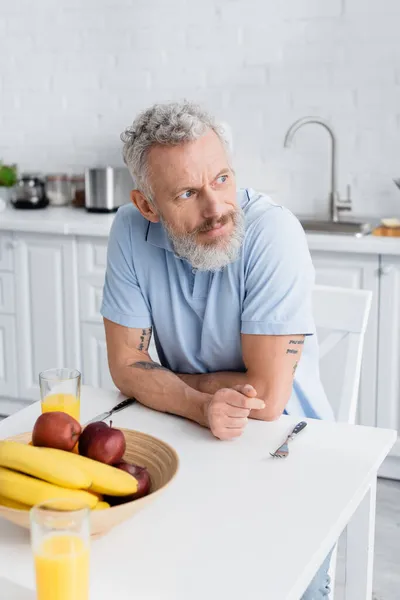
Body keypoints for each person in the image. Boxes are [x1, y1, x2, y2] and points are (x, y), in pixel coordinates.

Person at [101, 102, 334, 599]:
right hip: (190, 440)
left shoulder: (274, 233)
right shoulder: (129, 229)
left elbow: (268, 398)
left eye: (222, 179)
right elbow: (124, 366)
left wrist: (163, 380)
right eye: (187, 192)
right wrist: (199, 404)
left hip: (291, 453)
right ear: (148, 206)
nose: (215, 208)